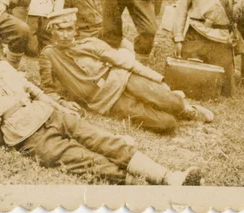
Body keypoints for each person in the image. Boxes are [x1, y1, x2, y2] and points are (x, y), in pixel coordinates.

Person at [0, 15, 203, 186]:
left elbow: (33, 89)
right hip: (25, 135)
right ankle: (137, 183)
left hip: (50, 113)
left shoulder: (0, 66)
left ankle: (169, 177)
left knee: (102, 139)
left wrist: (58, 106)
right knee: (83, 160)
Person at [39, 9, 214, 134]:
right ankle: (168, 105)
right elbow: (48, 89)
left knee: (174, 103)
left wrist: (157, 78)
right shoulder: (49, 55)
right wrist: (62, 102)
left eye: (69, 29)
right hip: (106, 101)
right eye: (60, 30)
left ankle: (186, 109)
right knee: (166, 124)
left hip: (122, 78)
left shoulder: (89, 43)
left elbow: (124, 62)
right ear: (51, 31)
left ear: (75, 30)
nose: (65, 35)